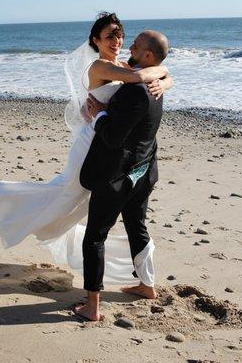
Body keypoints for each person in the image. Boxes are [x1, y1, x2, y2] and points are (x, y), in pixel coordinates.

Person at [0, 12, 172, 287]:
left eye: (120, 34)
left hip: (106, 144)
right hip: (90, 145)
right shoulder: (100, 67)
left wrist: (166, 80)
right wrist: (163, 77)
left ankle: (131, 273)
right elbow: (147, 73)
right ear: (96, 41)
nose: (118, 40)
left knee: (77, 205)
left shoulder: (122, 66)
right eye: (110, 35)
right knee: (63, 193)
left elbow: (156, 72)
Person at [74, 25, 170, 321]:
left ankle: (92, 307)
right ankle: (147, 285)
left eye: (136, 45)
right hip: (146, 169)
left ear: (148, 54)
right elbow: (158, 72)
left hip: (117, 174)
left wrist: (99, 113)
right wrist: (167, 79)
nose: (128, 47)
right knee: (136, 224)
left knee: (94, 236)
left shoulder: (136, 90)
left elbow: (113, 137)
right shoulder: (153, 84)